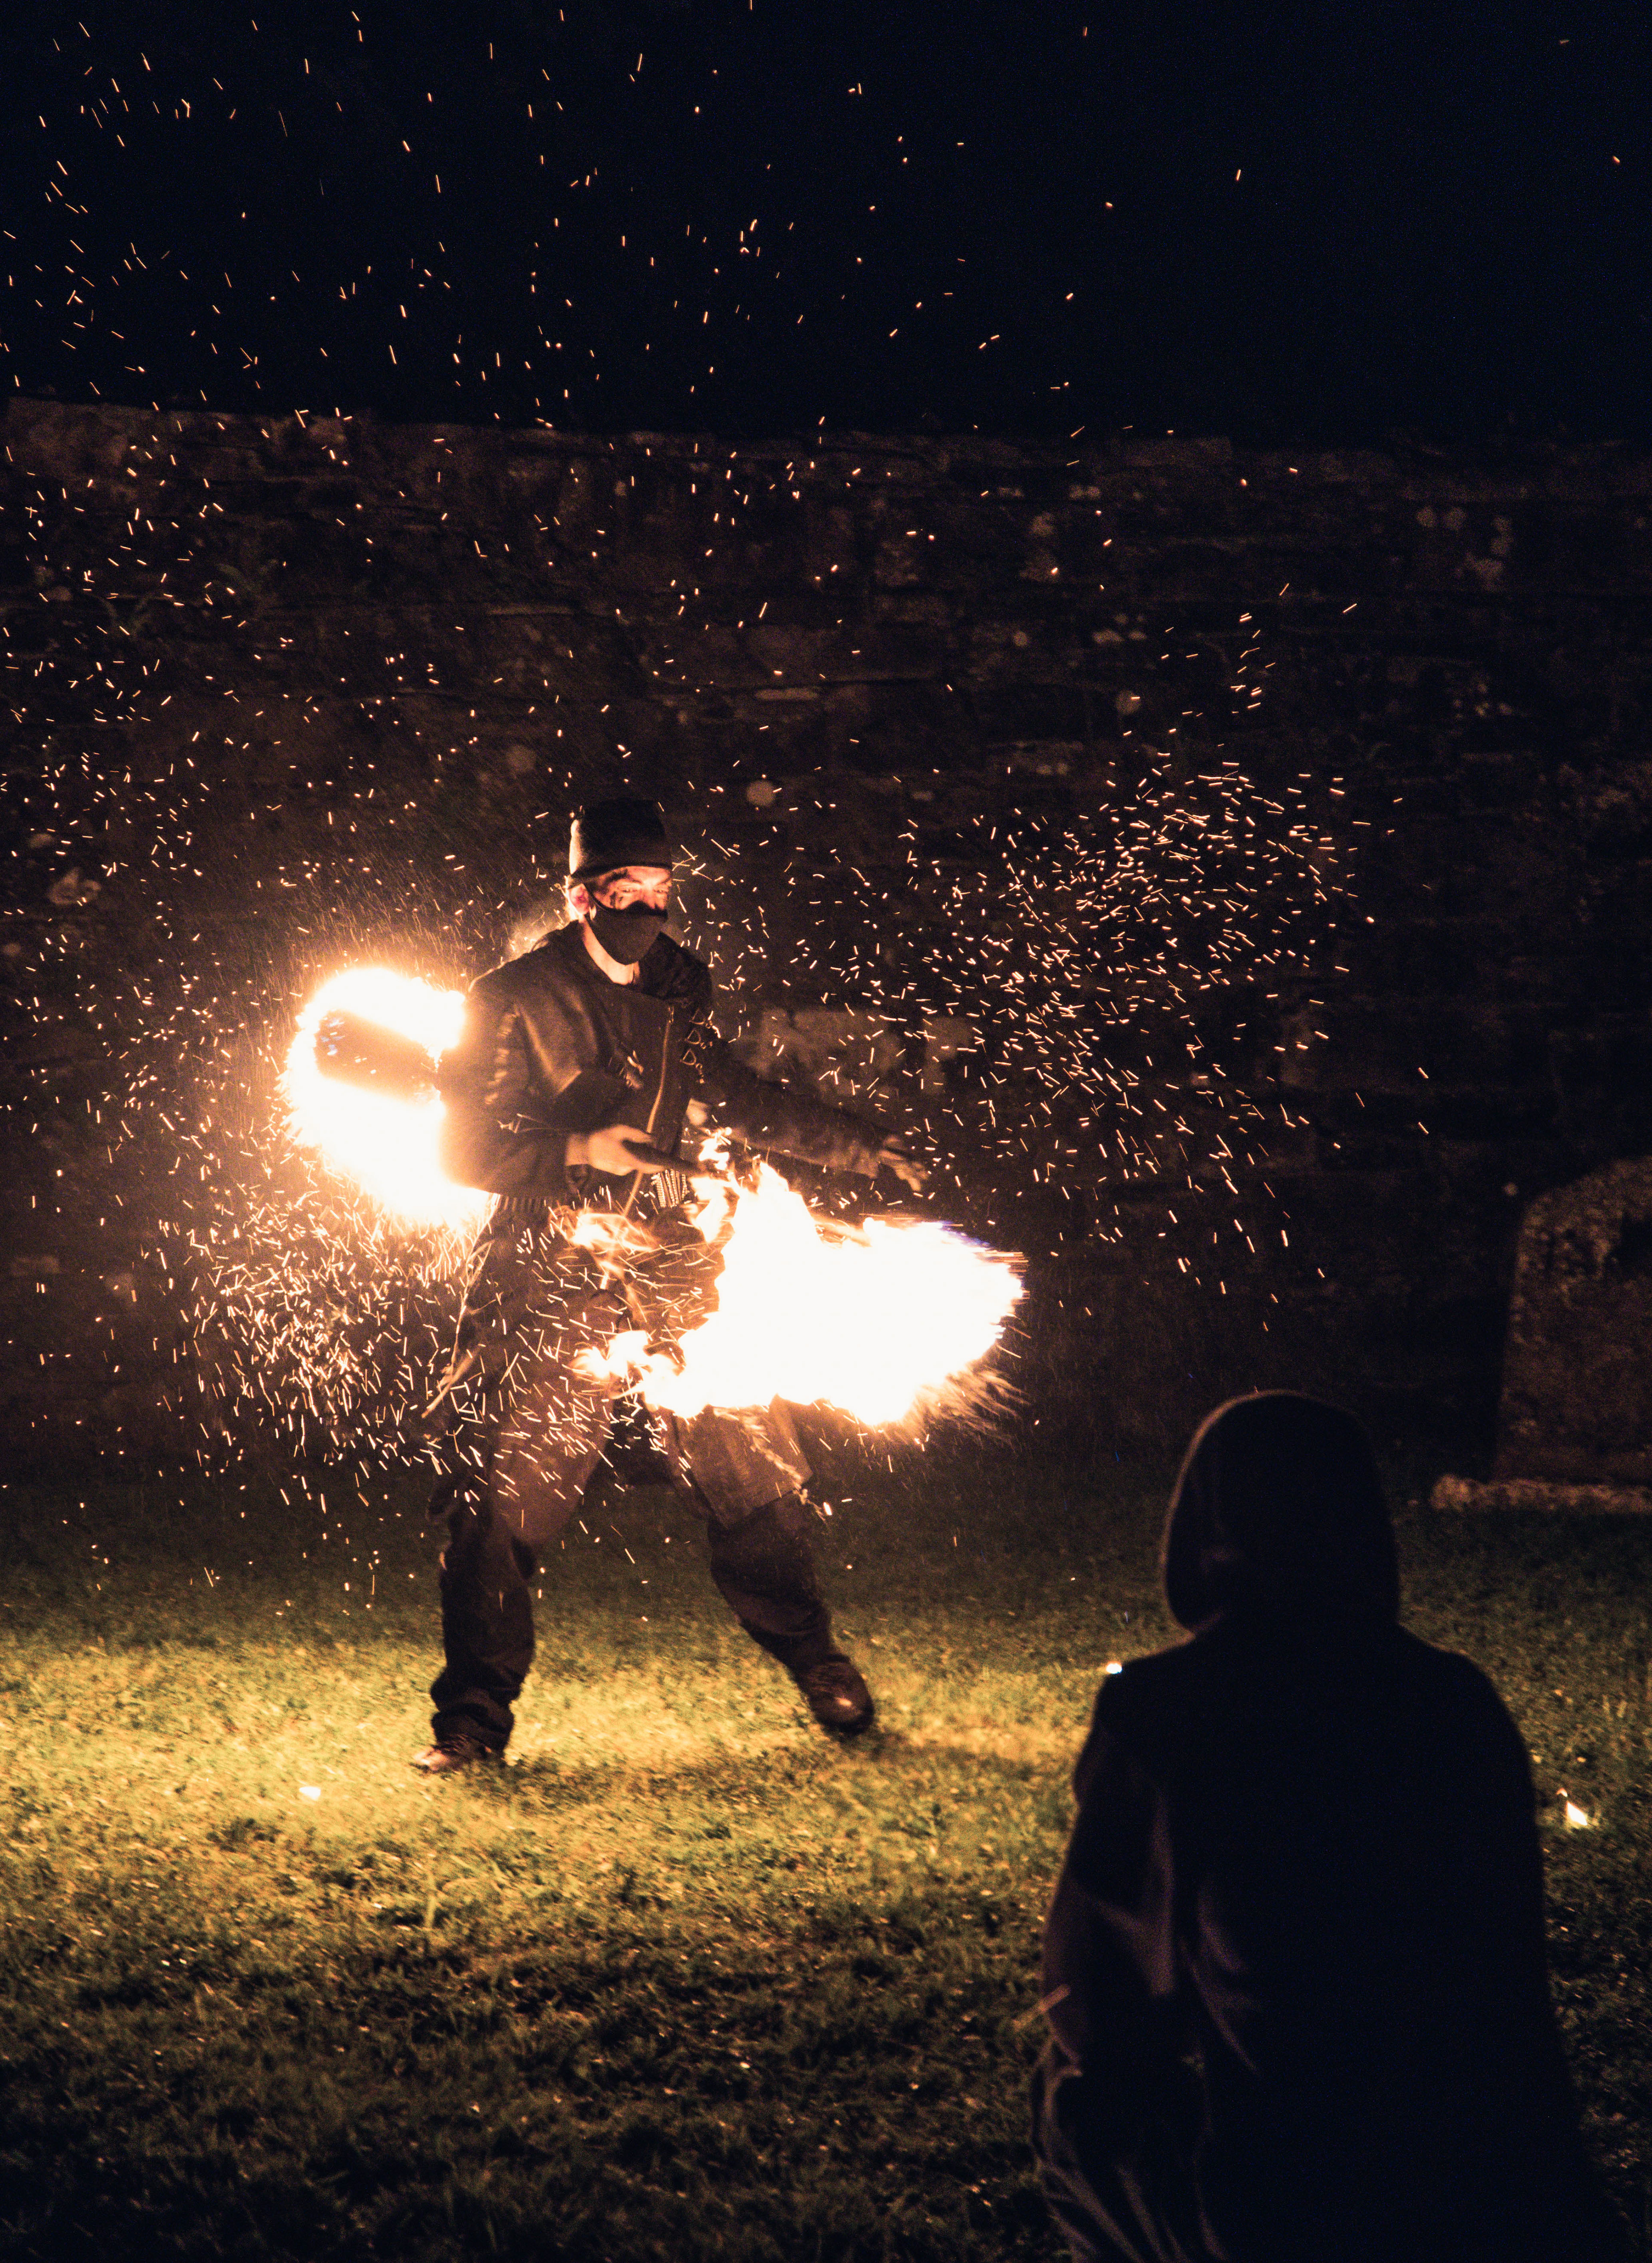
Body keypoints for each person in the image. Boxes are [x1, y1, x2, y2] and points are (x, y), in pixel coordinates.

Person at [1032, 1390, 1628, 2263]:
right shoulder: (1456, 1699)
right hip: (1514, 2200)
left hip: (1305, 2217)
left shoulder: (1168, 1710)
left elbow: (1093, 2000)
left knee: (1070, 2097)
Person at [414, 795, 923, 1773]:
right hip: (550, 1267)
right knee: (500, 1502)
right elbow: (462, 1147)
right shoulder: (509, 997)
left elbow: (727, 1090)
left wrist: (858, 1146)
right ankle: (472, 1722)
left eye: (659, 891)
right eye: (623, 891)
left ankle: (817, 1661)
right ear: (580, 897)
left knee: (755, 1476)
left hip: (668, 1262)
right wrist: (574, 1148)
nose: (645, 908)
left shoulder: (680, 991)